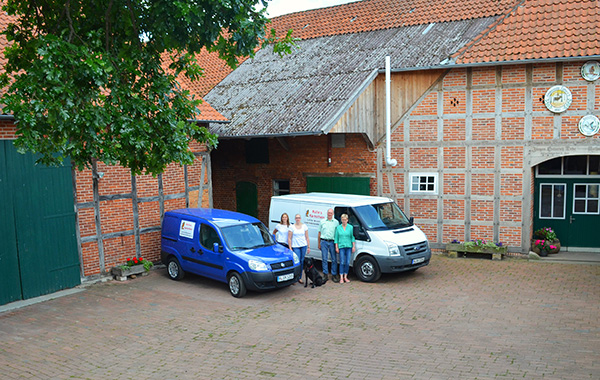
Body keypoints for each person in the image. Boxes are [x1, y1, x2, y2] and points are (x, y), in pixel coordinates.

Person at [318, 208, 339, 281]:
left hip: (332, 242)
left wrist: (337, 244)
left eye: (331, 213)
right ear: (327, 213)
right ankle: (325, 274)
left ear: (333, 214)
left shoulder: (336, 222)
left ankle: (334, 275)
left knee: (334, 259)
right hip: (324, 241)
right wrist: (319, 243)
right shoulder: (322, 221)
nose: (329, 214)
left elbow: (337, 234)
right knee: (324, 259)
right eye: (328, 213)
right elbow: (319, 233)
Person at [288, 214, 310, 284]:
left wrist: (308, 246)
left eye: (299, 218)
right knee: (296, 262)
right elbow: (289, 238)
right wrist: (290, 247)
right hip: (295, 246)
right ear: (295, 219)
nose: (298, 219)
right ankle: (294, 278)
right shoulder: (292, 227)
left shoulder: (304, 226)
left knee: (302, 261)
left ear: (300, 219)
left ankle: (299, 277)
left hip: (303, 245)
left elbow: (307, 237)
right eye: (296, 218)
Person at [335, 213, 355, 284]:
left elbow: (352, 237)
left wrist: (353, 246)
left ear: (347, 220)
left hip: (348, 246)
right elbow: (336, 238)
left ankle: (345, 276)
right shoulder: (338, 228)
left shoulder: (350, 227)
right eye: (342, 220)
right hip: (341, 247)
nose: (344, 221)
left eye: (345, 220)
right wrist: (336, 247)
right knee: (342, 262)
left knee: (347, 262)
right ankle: (341, 277)